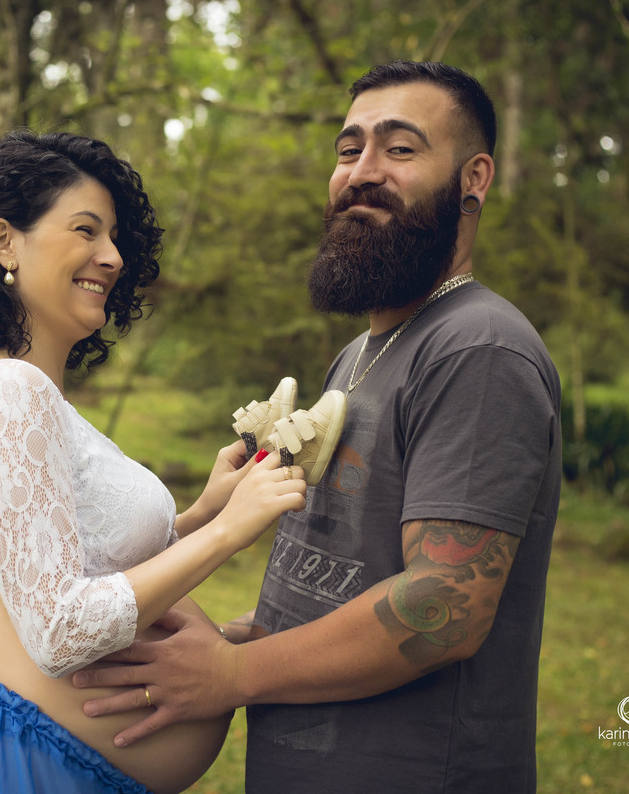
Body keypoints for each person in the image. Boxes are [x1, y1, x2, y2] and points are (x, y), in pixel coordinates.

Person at [74, 60, 563, 793]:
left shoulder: (479, 349)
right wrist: (232, 638)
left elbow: (445, 604)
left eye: (400, 149)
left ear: (475, 178)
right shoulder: (358, 356)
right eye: (347, 149)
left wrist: (234, 673)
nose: (362, 172)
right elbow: (351, 576)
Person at [0, 130, 338, 794]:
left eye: (113, 239)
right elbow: (57, 630)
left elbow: (87, 563)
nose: (110, 256)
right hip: (30, 771)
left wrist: (203, 513)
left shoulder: (33, 396)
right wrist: (229, 532)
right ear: (3, 242)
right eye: (86, 230)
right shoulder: (2, 391)